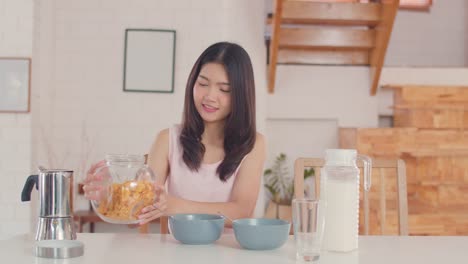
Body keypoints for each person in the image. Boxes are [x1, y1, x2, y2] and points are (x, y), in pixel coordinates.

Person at [83, 42, 266, 227]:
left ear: (241, 95)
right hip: (176, 252)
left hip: (231, 252)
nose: (210, 96)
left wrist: (173, 205)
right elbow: (141, 207)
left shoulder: (254, 144)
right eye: (203, 83)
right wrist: (109, 194)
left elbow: (242, 212)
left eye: (224, 89)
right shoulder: (167, 140)